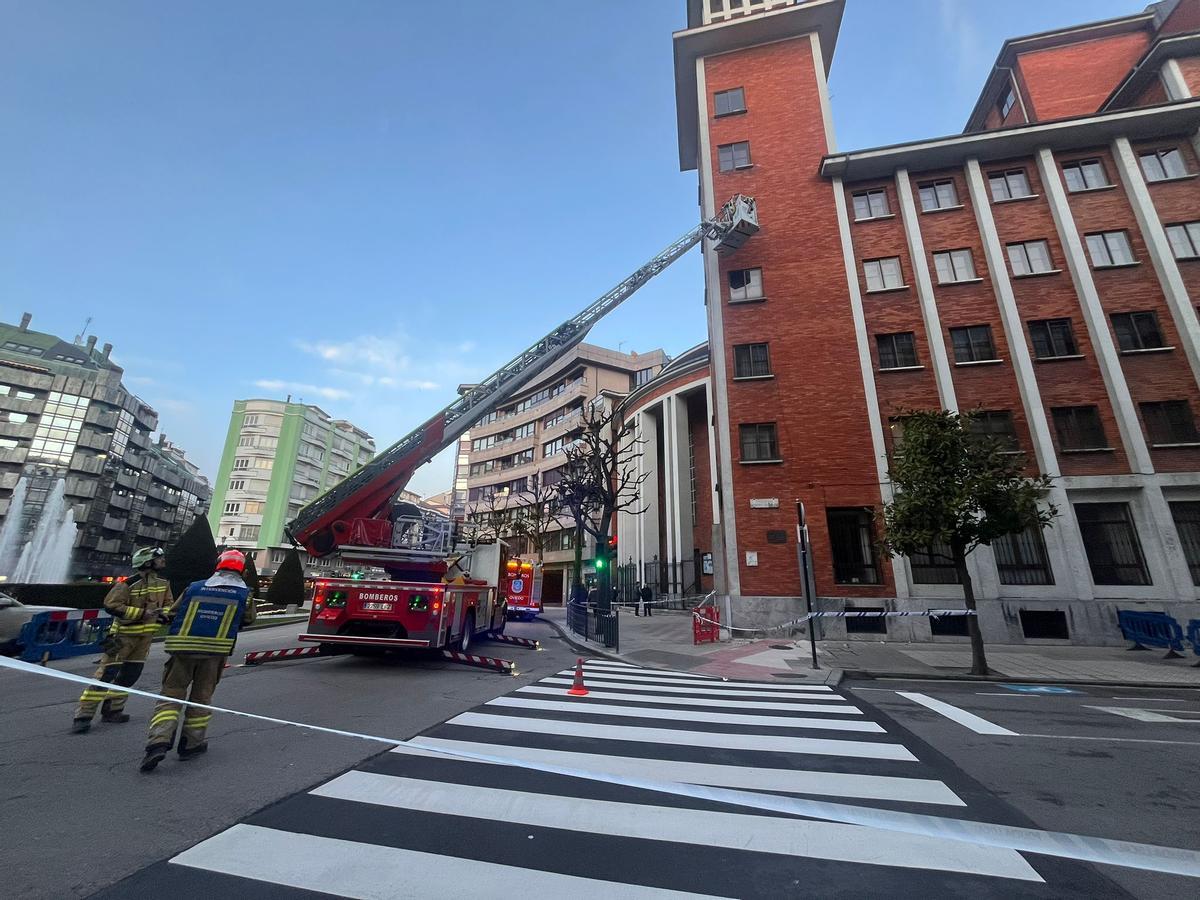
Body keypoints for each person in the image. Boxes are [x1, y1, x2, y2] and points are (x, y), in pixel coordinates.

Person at [140, 549, 256, 772]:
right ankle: (191, 745)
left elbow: (172, 613)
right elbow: (249, 619)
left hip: (182, 651)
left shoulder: (194, 587)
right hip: (214, 654)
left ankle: (157, 743)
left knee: (170, 696)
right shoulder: (244, 594)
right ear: (241, 569)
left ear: (218, 565)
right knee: (200, 699)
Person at [72, 547, 173, 734]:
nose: (163, 561)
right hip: (123, 637)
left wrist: (164, 614)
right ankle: (83, 716)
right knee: (105, 676)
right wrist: (142, 613)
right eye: (159, 558)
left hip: (144, 639)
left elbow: (168, 603)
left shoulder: (163, 583)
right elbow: (112, 605)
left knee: (129, 675)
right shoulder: (128, 584)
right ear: (148, 562)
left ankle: (113, 710)